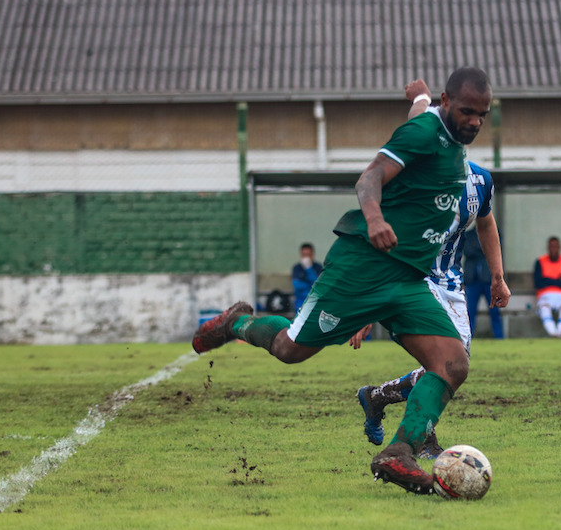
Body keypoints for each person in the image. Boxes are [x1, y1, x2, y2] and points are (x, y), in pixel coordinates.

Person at [192, 67, 493, 495]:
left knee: (452, 363)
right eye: (467, 111)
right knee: (290, 349)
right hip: (363, 269)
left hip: (408, 280)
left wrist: (421, 97)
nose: (475, 122)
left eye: (483, 114)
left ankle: (399, 452)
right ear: (448, 102)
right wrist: (374, 219)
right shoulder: (424, 133)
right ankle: (237, 324)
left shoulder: (442, 128)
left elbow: (423, 116)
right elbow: (369, 176)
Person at [355, 79, 509, 458]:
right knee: (445, 363)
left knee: (457, 365)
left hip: (451, 281)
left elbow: (486, 223)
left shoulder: (480, 181)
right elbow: (417, 124)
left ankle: (377, 396)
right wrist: (367, 304)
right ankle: (422, 437)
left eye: (479, 117)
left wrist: (498, 276)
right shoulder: (420, 168)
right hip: (412, 277)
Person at [463, 227, 504, 339]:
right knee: (469, 313)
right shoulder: (467, 234)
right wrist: (484, 249)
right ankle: (467, 339)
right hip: (472, 280)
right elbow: (467, 251)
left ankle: (500, 338)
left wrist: (475, 246)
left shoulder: (493, 233)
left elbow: (494, 251)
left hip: (489, 280)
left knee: (495, 312)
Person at [535, 237, 561, 337]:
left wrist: (547, 279)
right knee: (544, 308)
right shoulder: (540, 261)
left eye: (556, 247)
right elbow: (538, 283)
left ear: (560, 247)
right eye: (551, 247)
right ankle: (552, 332)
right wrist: (558, 280)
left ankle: (560, 332)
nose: (553, 249)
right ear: (547, 248)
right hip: (545, 294)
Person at [291, 243, 324, 312]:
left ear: (313, 255)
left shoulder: (318, 267)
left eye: (308, 255)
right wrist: (310, 285)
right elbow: (297, 286)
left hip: (316, 300)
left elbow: (319, 285)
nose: (306, 258)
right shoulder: (297, 268)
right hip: (301, 301)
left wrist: (309, 269)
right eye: (304, 255)